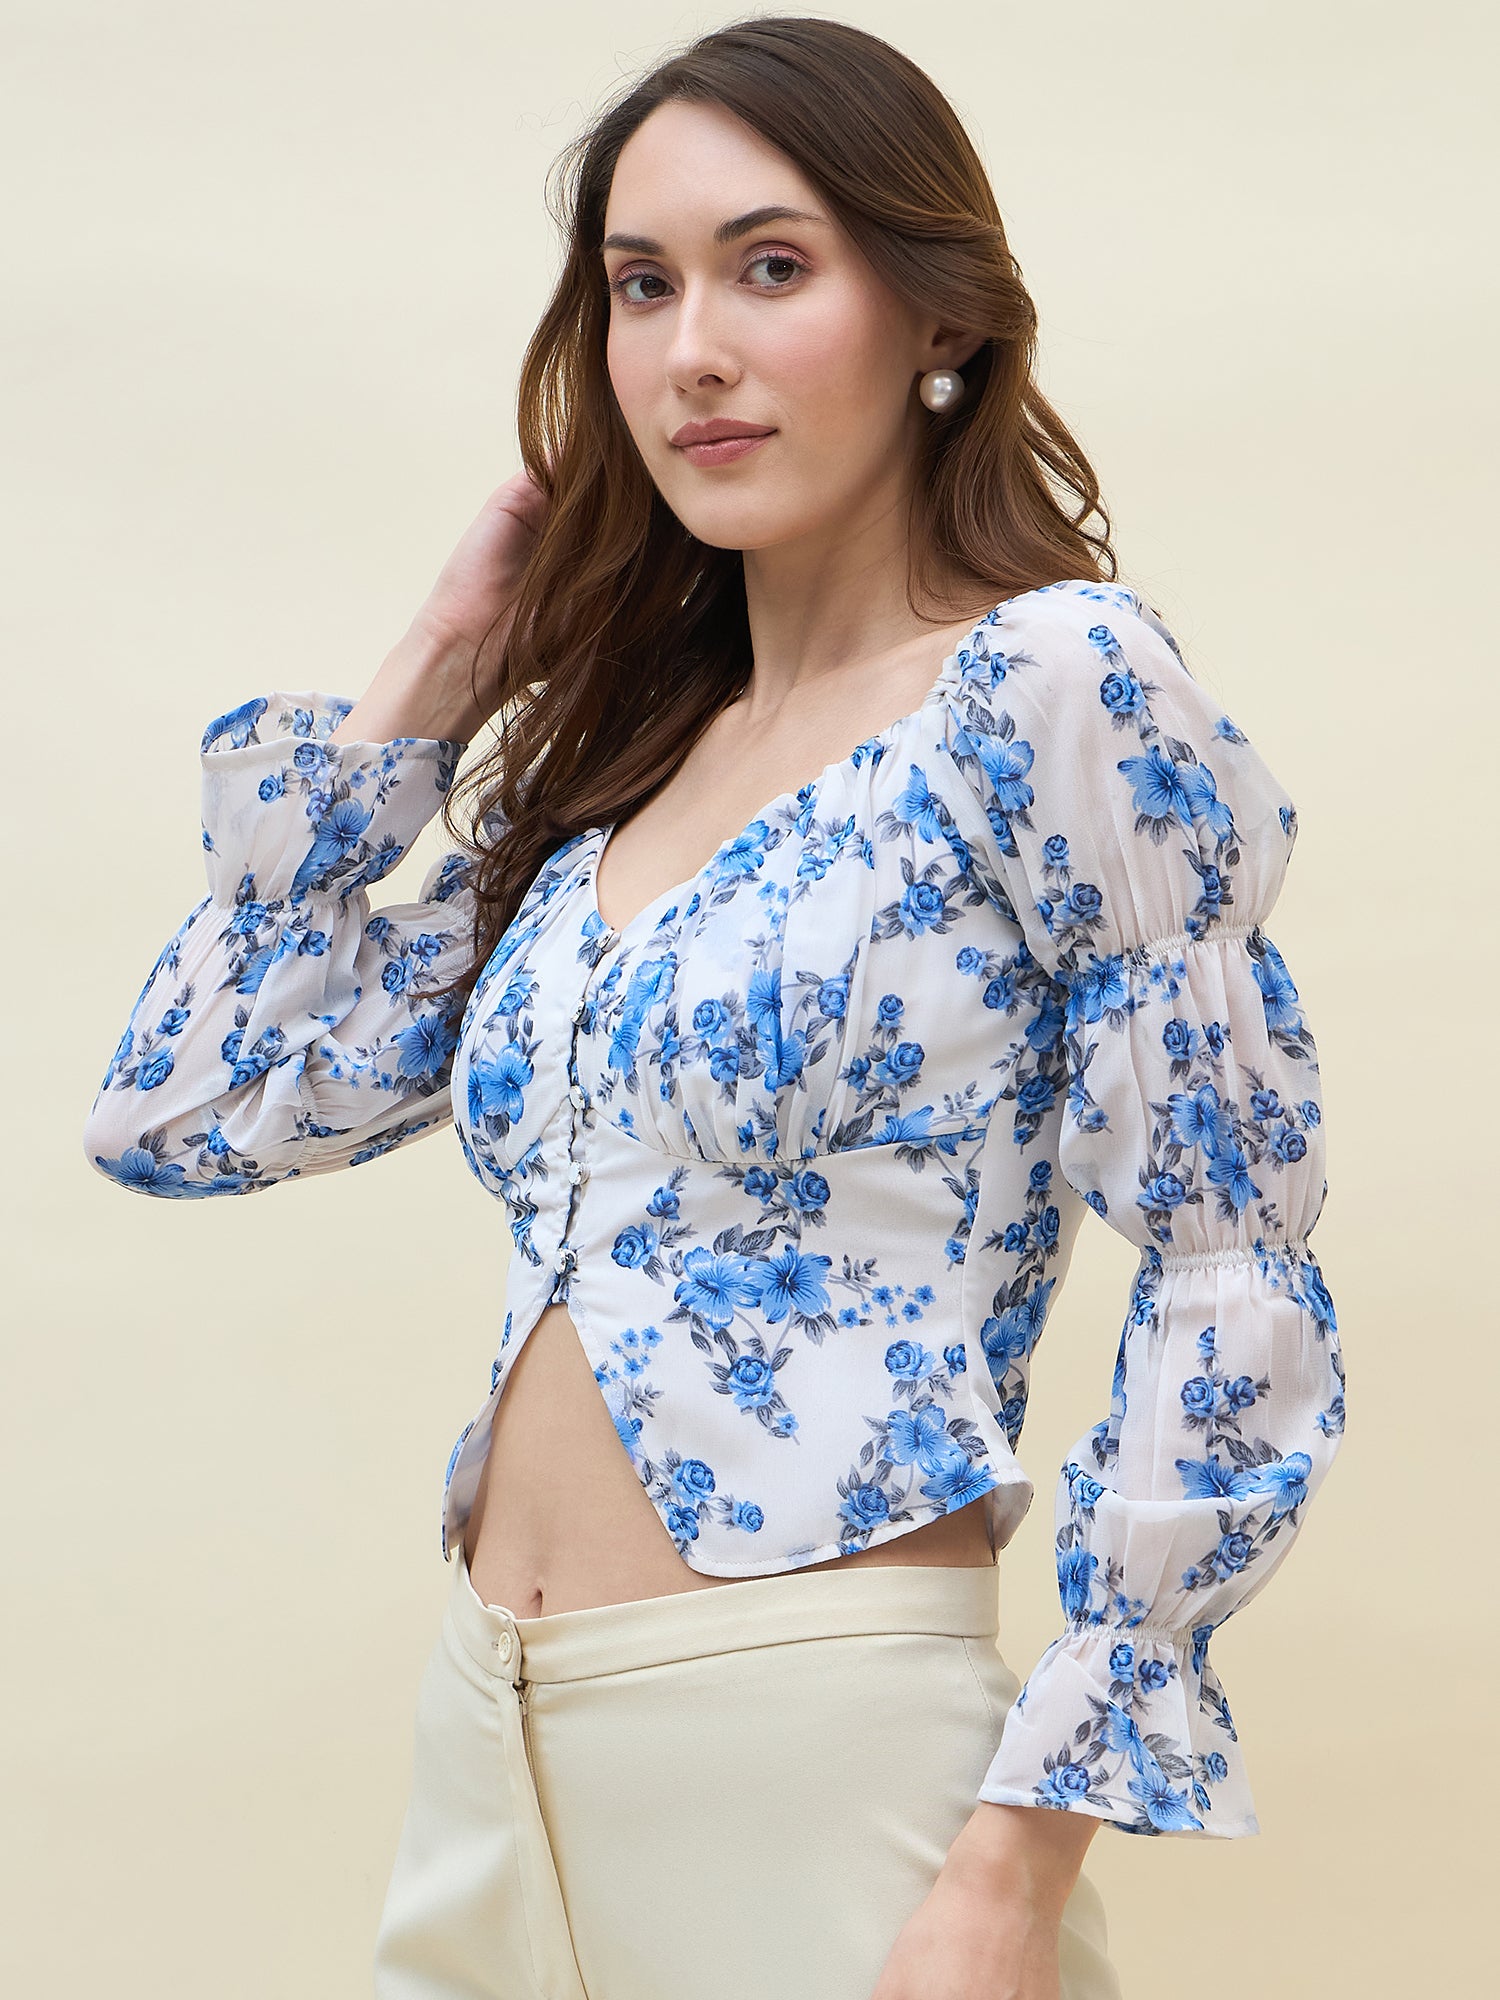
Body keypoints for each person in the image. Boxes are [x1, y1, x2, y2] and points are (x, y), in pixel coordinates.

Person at [81, 15, 1346, 2000]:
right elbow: (181, 1111)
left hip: (814, 1747)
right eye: (640, 289)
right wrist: (438, 659)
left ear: (935, 316)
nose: (694, 352)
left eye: (773, 267)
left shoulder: (1046, 691)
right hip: (485, 1735)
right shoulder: (610, 782)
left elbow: (1233, 1271)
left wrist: (1015, 1861)